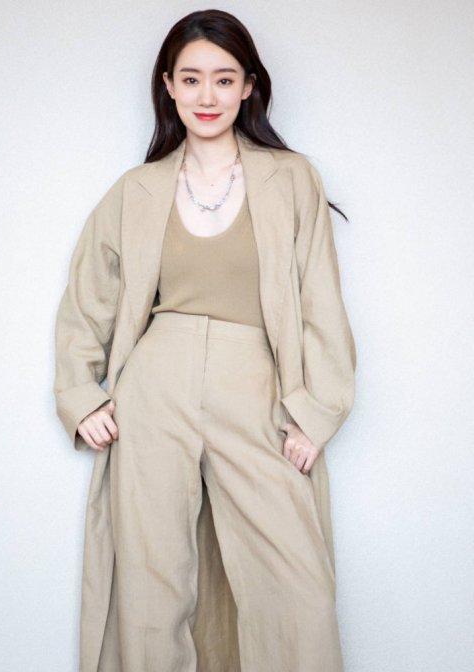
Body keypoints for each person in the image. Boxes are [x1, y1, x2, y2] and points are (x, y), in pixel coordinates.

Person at [53, 9, 356, 672]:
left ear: (249, 86)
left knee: (296, 591)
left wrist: (316, 411)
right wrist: (82, 395)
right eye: (190, 79)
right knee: (151, 584)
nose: (207, 95)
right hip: (153, 391)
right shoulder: (136, 190)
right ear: (168, 86)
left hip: (256, 388)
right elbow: (87, 302)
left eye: (223, 78)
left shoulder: (291, 178)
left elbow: (321, 302)